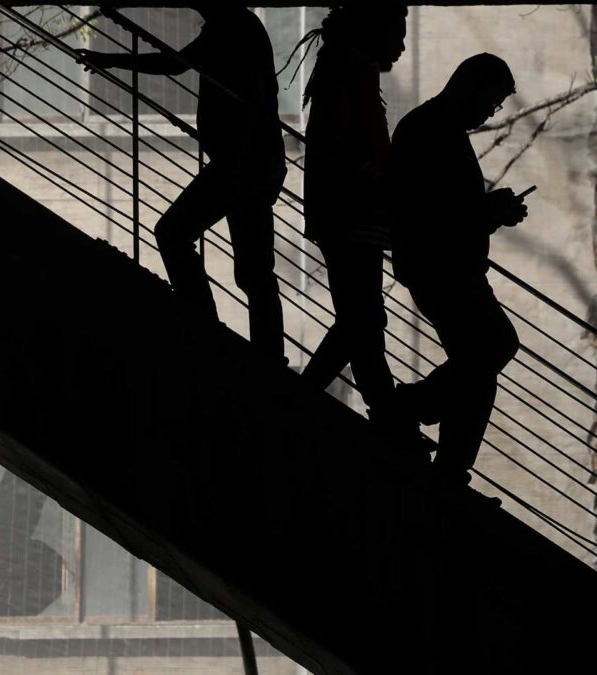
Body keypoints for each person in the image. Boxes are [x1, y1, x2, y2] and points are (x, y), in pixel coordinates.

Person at [76, 5, 286, 359]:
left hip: (241, 162)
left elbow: (179, 65)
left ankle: (207, 326)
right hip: (251, 162)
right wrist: (111, 60)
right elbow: (177, 63)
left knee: (174, 234)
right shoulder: (233, 24)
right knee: (253, 271)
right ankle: (266, 357)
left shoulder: (231, 25)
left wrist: (111, 60)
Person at [388, 53, 528, 484]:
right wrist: (491, 211)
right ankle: (415, 412)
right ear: (472, 85)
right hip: (440, 267)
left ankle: (445, 455)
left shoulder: (432, 126)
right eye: (493, 101)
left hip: (445, 265)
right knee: (489, 351)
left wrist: (491, 212)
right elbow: (438, 213)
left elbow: (448, 210)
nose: (491, 112)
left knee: (482, 357)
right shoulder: (431, 130)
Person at [297, 3, 408, 432]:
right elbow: (352, 150)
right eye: (395, 34)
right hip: (352, 217)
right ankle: (386, 420)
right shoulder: (352, 72)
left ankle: (390, 419)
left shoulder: (342, 69)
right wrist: (383, 175)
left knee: (361, 322)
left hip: (346, 216)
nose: (400, 47)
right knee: (362, 322)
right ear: (372, 31)